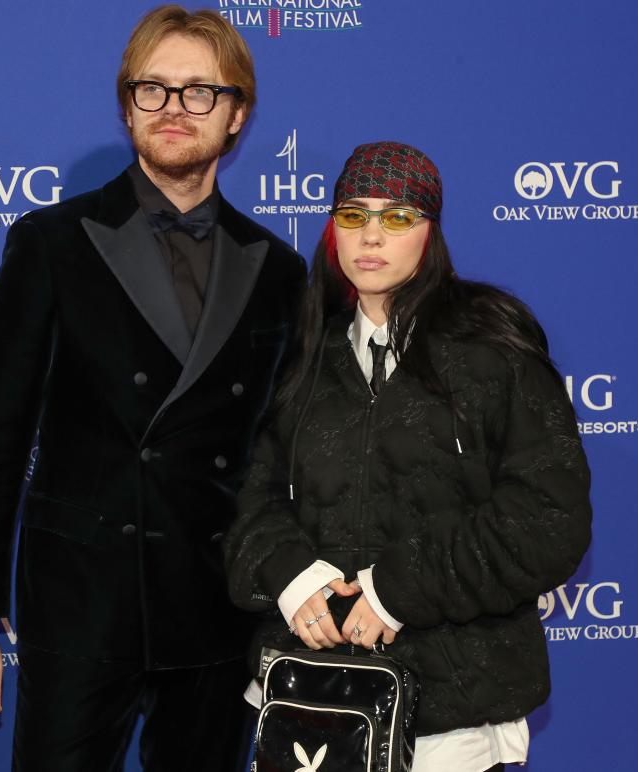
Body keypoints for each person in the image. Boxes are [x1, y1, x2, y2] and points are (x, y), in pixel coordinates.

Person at [0, 5, 305, 770]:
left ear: (237, 114)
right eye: (153, 89)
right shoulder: (50, 243)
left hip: (217, 608)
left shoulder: (278, 269)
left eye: (200, 92)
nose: (174, 109)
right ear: (127, 105)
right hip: (81, 607)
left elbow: (288, 452)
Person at [224, 141, 592, 772]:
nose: (370, 236)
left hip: (452, 717)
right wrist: (287, 571)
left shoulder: (492, 350)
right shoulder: (304, 353)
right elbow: (248, 496)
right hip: (306, 703)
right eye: (352, 215)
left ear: (430, 233)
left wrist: (396, 590)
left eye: (397, 217)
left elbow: (548, 520)